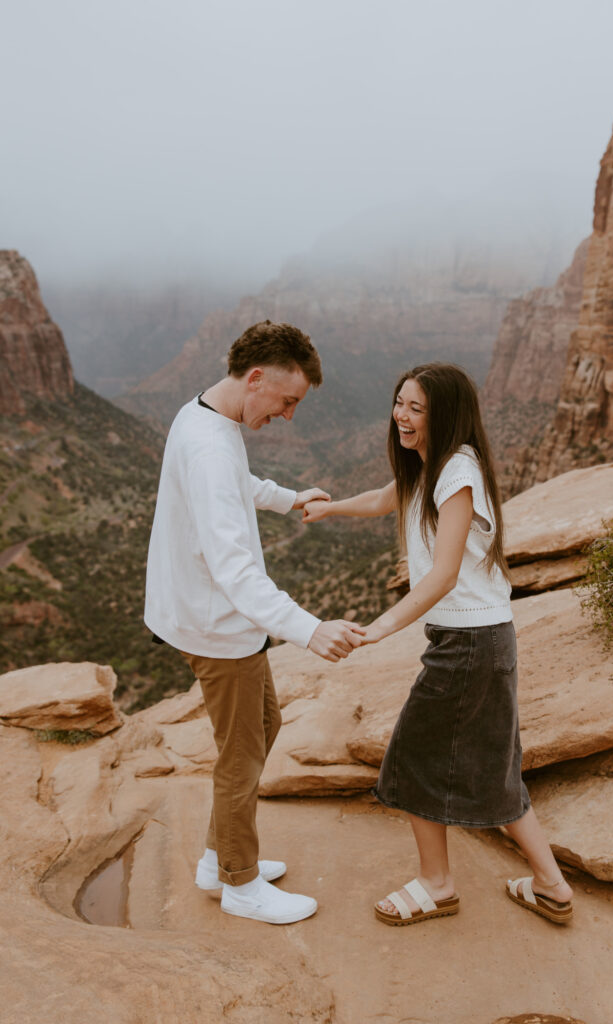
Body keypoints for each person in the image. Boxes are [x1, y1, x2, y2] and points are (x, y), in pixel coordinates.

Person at [302, 362, 574, 927]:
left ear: (444, 415)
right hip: (485, 641)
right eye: (399, 402)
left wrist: (378, 628)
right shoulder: (439, 466)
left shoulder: (458, 472)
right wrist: (332, 508)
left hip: (469, 646)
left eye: (416, 408)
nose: (401, 415)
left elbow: (444, 575)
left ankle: (437, 884)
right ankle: (551, 887)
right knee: (496, 769)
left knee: (412, 760)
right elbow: (387, 496)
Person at [145, 320, 364, 925]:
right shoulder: (210, 445)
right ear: (258, 377)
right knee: (241, 754)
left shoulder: (205, 417)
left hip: (207, 615)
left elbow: (235, 486)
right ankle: (240, 884)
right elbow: (236, 571)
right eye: (288, 401)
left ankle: (220, 860)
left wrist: (288, 496)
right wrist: (310, 628)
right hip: (216, 626)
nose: (289, 416)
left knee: (264, 726)